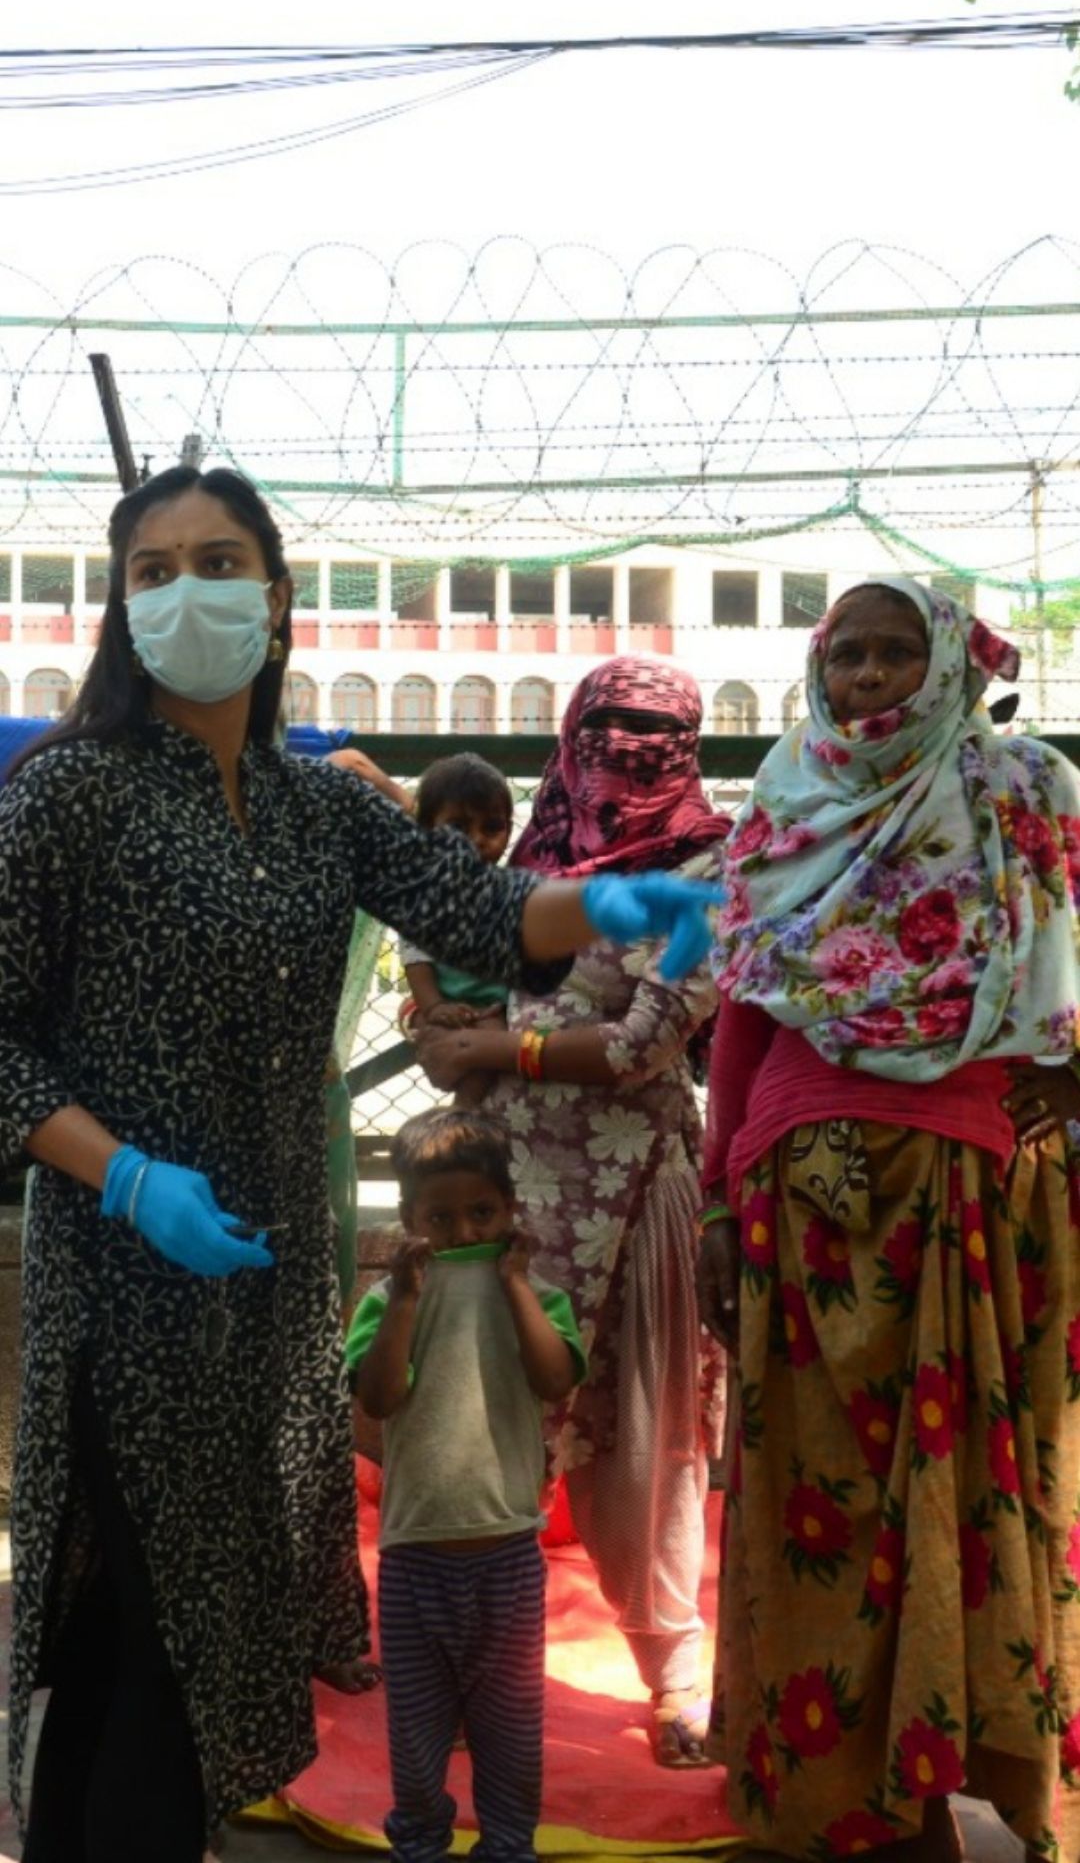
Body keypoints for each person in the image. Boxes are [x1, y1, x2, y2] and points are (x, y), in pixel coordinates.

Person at [0, 464, 721, 1863]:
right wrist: (128, 1178)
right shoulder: (69, 796)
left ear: (274, 604)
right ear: (118, 608)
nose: (183, 591)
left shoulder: (316, 805)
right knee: (140, 1635)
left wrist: (614, 897)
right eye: (151, 571)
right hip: (125, 1294)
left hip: (268, 1300)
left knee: (202, 1644)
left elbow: (484, 905)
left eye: (216, 562)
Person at [698, 578, 1080, 1863]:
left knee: (963, 1488)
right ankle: (826, 1794)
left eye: (895, 652)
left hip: (971, 1191)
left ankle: (948, 1781)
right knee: (816, 1498)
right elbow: (744, 1020)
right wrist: (713, 1201)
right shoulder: (785, 803)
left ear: (948, 663)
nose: (867, 677)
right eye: (845, 654)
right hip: (796, 1202)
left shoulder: (1025, 793)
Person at [417, 656, 730, 1768]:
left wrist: (490, 1046)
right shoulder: (530, 862)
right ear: (569, 735)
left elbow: (651, 1041)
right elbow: (447, 1001)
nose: (627, 749)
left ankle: (678, 1680)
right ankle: (466, 1671)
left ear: (687, 742)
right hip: (509, 1196)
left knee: (649, 1449)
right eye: (606, 725)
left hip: (636, 1188)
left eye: (655, 728)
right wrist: (446, 1031)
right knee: (487, 1433)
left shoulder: (708, 861)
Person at [347, 1108, 585, 1863]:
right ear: (410, 1219)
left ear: (511, 1211)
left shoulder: (537, 1296)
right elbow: (378, 1398)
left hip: (508, 1555)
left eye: (480, 1211)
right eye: (438, 1217)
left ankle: (508, 1846)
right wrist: (407, 1299)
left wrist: (515, 1283)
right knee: (416, 1737)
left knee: (511, 1730)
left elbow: (554, 1379)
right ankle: (420, 1843)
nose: (460, 1231)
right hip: (415, 1557)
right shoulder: (389, 1304)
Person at [401, 753, 515, 1107]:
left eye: (492, 828)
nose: (477, 840)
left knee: (491, 1044)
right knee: (444, 1042)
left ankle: (462, 1114)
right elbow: (415, 959)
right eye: (458, 828)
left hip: (496, 1008)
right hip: (445, 1003)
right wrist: (434, 1006)